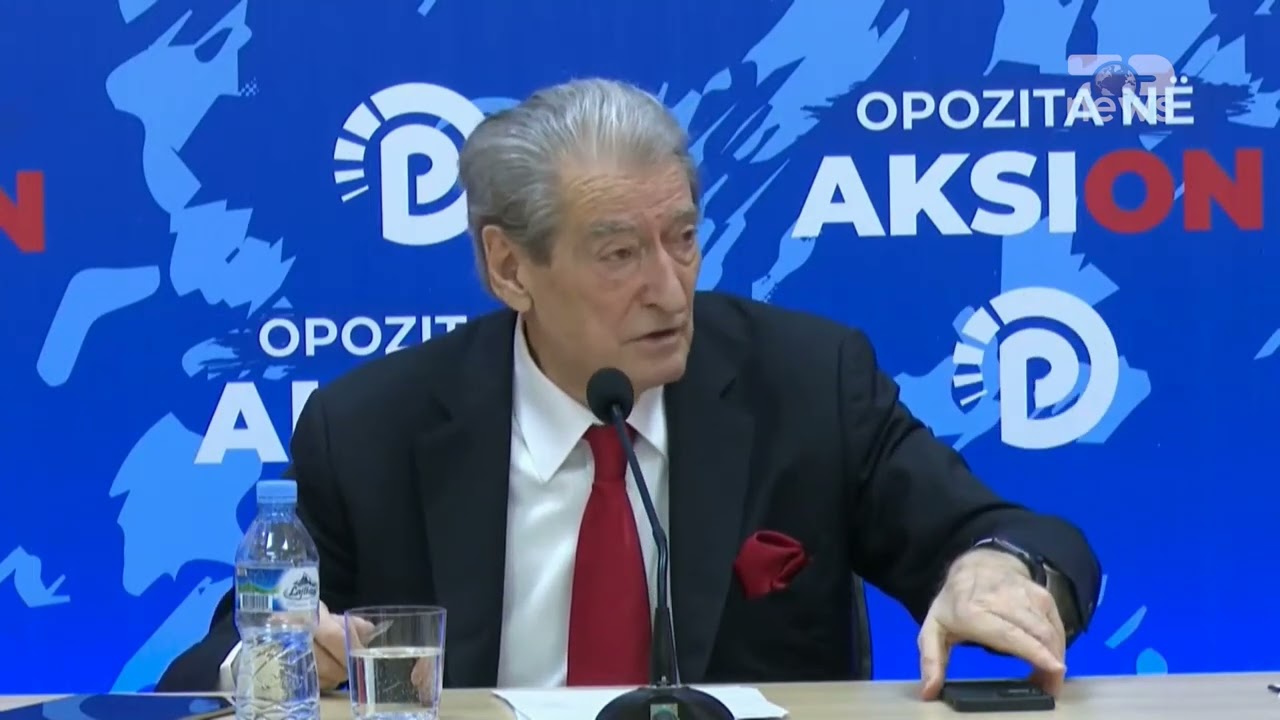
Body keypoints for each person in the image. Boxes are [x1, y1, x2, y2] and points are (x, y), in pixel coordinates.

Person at [158, 78, 1101, 699]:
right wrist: (276, 662)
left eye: (682, 239)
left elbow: (1023, 536)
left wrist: (1002, 572)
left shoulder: (807, 383)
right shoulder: (370, 430)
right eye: (618, 254)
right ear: (509, 267)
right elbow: (208, 669)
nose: (670, 288)